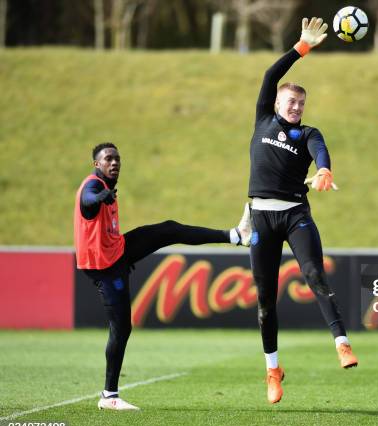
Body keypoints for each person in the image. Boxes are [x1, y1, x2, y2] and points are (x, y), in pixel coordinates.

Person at [74, 142, 251, 411]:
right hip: (105, 267)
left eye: (117, 158)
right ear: (96, 165)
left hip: (117, 253)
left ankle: (235, 235)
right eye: (108, 159)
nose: (114, 162)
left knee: (168, 229)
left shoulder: (108, 189)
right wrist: (99, 198)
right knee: (121, 328)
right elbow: (88, 200)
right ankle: (109, 396)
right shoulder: (94, 187)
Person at [247, 17, 358, 404]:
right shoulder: (263, 116)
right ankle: (272, 370)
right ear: (276, 102)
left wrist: (324, 169)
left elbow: (320, 152)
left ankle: (342, 343)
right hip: (262, 215)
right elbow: (270, 73)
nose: (296, 107)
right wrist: (301, 48)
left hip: (295, 214)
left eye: (301, 103)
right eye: (290, 101)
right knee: (265, 301)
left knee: (314, 275)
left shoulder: (309, 133)